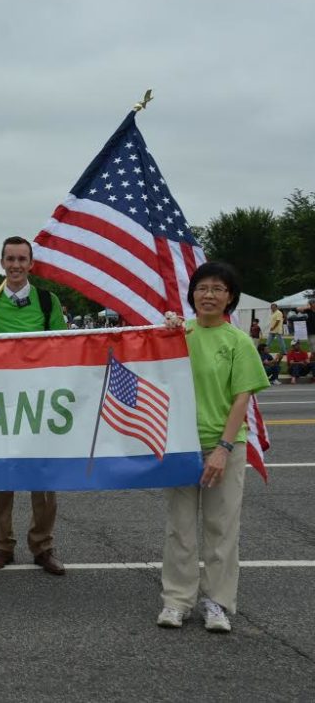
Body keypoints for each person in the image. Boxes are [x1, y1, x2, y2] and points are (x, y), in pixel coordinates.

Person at [157, 261, 269, 633]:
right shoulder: (179, 333)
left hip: (224, 446)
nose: (209, 295)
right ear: (192, 294)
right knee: (180, 528)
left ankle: (217, 601)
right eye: (202, 288)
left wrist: (222, 448)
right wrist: (166, 330)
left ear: (230, 298)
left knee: (221, 529)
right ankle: (177, 600)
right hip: (181, 445)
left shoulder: (237, 341)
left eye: (218, 289)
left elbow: (242, 398)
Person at [0, 236, 68, 576]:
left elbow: (63, 348)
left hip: (38, 401)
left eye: (22, 259)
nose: (16, 265)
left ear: (31, 264)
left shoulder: (45, 300)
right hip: (2, 401)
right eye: (10, 259)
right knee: (3, 478)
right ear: (1, 262)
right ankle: (2, 545)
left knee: (43, 479)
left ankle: (43, 546)